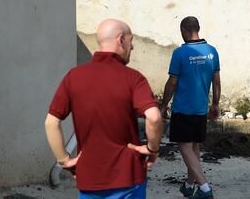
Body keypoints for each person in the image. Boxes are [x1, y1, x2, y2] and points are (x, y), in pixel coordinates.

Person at [45, 19, 163, 199]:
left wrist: (65, 161)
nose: (133, 48)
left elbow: (51, 122)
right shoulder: (134, 78)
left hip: (90, 177)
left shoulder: (73, 77)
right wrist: (152, 148)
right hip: (128, 176)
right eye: (131, 42)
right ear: (121, 40)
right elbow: (154, 118)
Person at [160, 16, 221, 199]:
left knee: (185, 147)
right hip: (201, 109)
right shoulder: (212, 51)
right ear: (198, 28)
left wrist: (163, 105)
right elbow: (216, 80)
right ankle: (189, 184)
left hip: (183, 109)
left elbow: (172, 82)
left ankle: (204, 188)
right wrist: (215, 104)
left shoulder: (179, 53)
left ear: (183, 31)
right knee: (194, 147)